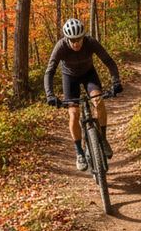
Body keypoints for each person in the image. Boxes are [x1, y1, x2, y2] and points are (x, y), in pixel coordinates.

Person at [44, 17, 123, 171]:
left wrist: (116, 82)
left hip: (89, 75)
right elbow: (50, 71)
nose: (76, 43)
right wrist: (50, 95)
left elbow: (109, 61)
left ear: (83, 36)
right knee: (73, 113)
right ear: (67, 38)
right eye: (72, 40)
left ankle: (104, 139)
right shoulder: (60, 47)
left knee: (98, 101)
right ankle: (79, 153)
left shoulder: (90, 42)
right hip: (69, 78)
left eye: (78, 39)